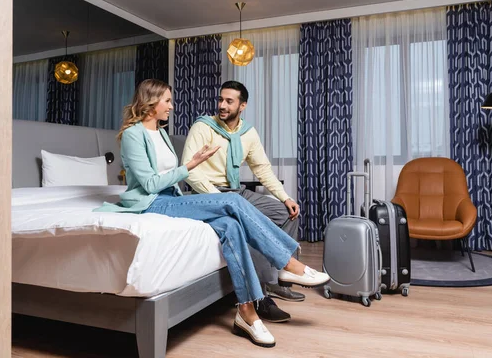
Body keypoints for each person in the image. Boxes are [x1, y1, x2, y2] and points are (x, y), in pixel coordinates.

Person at [94, 79, 330, 348]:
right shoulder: (133, 135)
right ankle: (288, 263)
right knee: (231, 201)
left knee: (231, 225)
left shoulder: (160, 132)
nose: (172, 106)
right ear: (151, 102)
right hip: (150, 202)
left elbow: (174, 179)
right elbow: (149, 184)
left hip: (172, 198)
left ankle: (246, 312)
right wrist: (191, 165)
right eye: (168, 101)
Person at [181, 80, 303, 323]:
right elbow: (190, 171)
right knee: (246, 224)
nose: (222, 105)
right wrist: (222, 200)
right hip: (208, 193)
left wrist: (285, 197)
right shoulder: (203, 127)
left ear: (242, 105)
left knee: (284, 212)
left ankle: (275, 278)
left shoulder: (248, 133)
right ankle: (261, 296)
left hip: (236, 191)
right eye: (220, 100)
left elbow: (263, 170)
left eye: (229, 101)